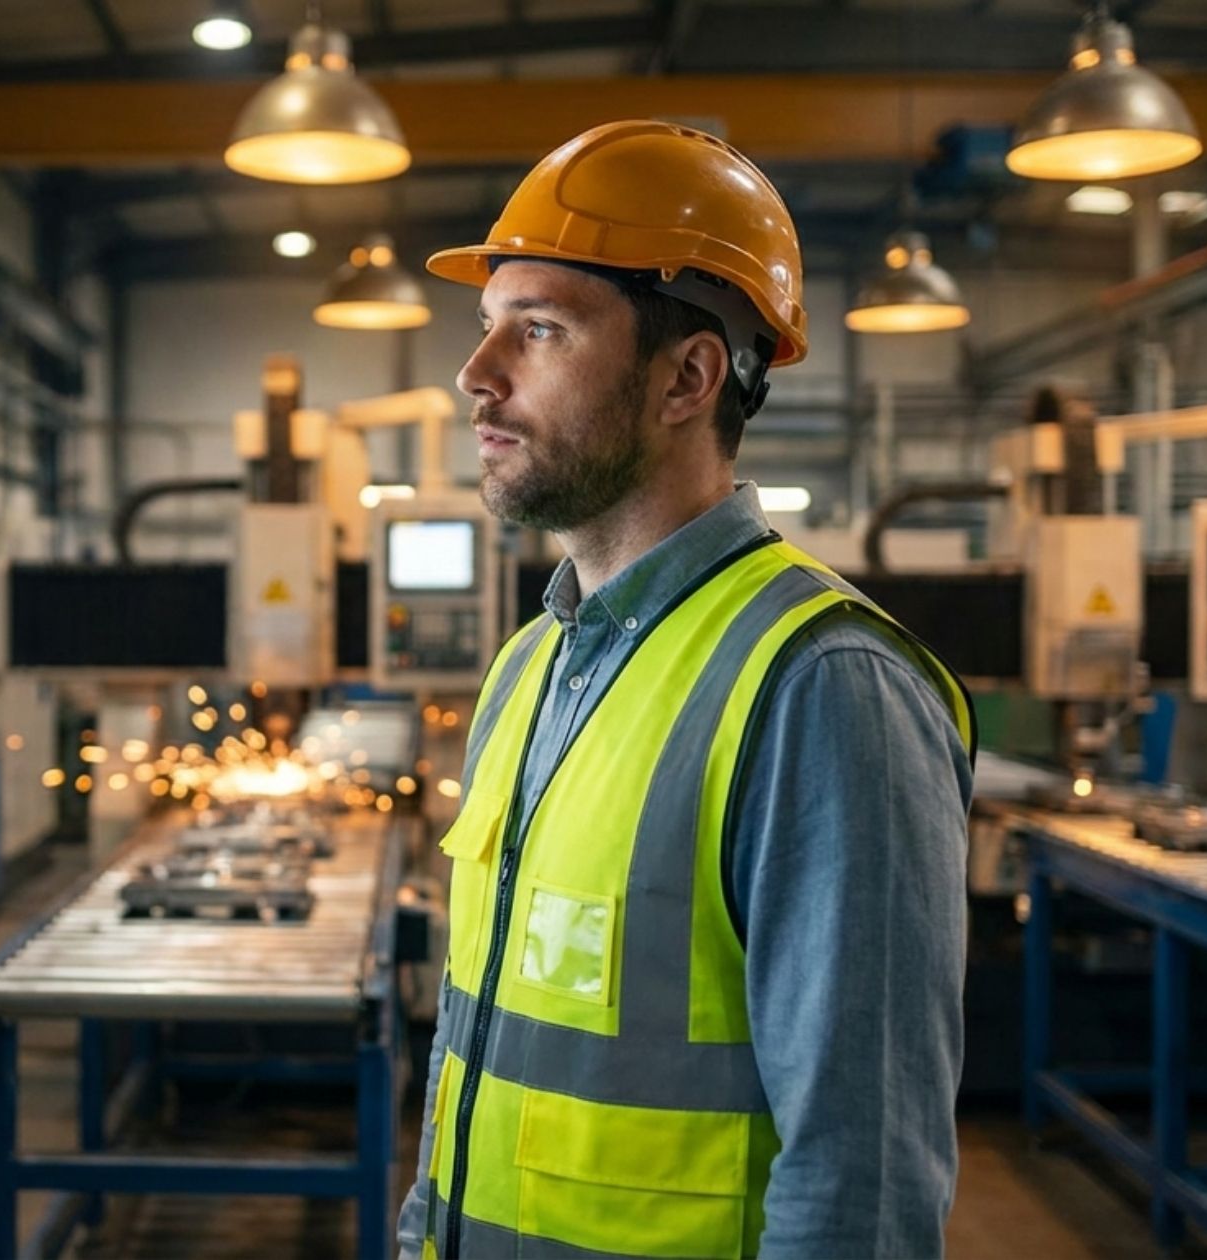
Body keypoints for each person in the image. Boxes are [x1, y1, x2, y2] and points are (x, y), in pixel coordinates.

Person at [395, 120, 976, 1260]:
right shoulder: (529, 665)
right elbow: (477, 1049)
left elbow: (855, 1182)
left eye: (541, 329)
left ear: (686, 377)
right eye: (485, 329)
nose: (475, 375)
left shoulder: (822, 689)